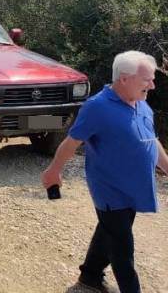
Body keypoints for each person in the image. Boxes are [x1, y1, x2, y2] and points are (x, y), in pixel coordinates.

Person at [41, 51, 168, 293]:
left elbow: (152, 140)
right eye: (147, 80)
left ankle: (89, 276)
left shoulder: (141, 102)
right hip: (110, 190)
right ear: (124, 79)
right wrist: (53, 171)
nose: (152, 85)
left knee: (110, 231)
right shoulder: (97, 107)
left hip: (135, 187)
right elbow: (72, 142)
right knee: (122, 248)